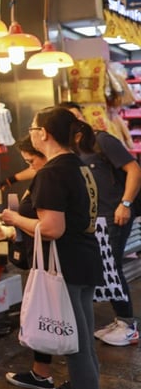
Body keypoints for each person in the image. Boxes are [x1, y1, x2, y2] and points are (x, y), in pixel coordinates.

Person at [1, 107, 102, 389]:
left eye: (32, 128)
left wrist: (15, 219)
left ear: (43, 133)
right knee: (83, 341)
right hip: (85, 259)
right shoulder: (78, 165)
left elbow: (52, 228)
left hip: (66, 267)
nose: (31, 133)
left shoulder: (52, 172)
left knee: (75, 345)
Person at [57, 101, 140, 347]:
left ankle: (128, 324)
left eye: (76, 116)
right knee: (104, 267)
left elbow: (134, 170)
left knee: (111, 266)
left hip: (114, 214)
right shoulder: (69, 149)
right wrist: (11, 179)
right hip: (93, 220)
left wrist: (125, 204)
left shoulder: (101, 140)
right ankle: (120, 319)